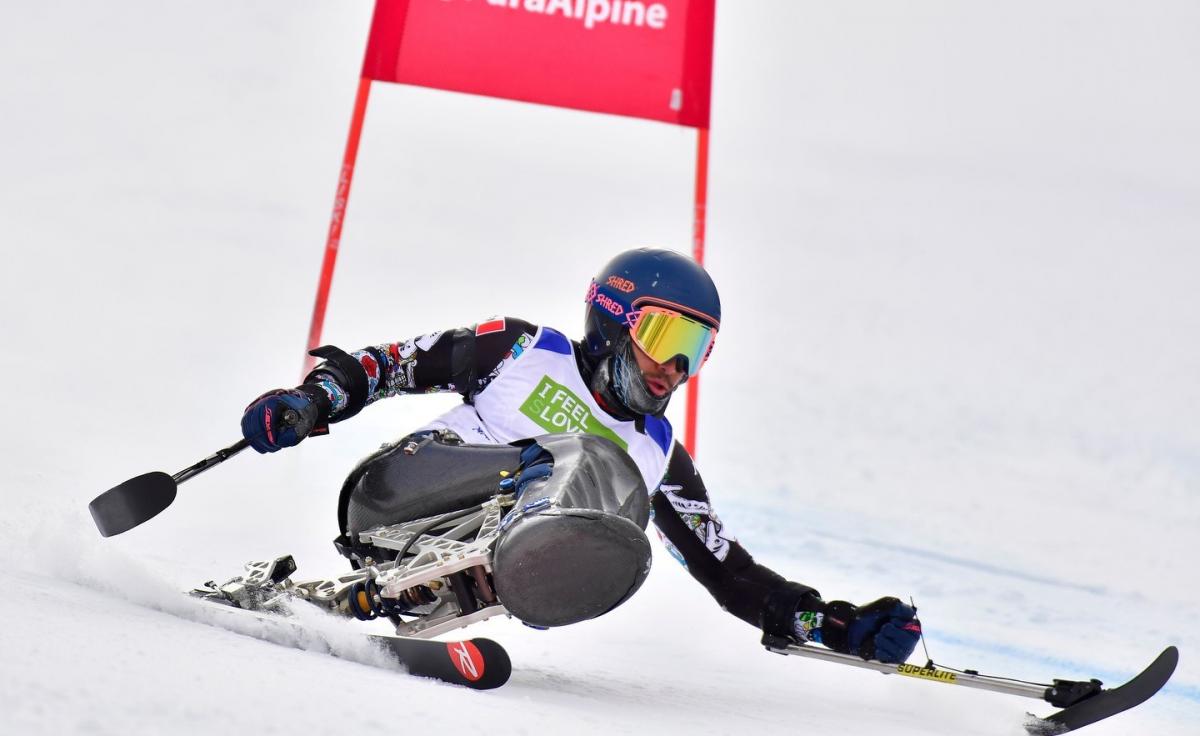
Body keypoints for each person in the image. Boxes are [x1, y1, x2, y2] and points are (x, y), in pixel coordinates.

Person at [240, 247, 922, 664]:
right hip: (399, 493)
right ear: (614, 317)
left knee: (617, 497)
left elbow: (727, 571)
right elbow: (393, 366)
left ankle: (388, 598)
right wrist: (315, 399)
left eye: (697, 350)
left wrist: (829, 622)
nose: (674, 368)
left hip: (483, 561)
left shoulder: (659, 455)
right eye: (665, 336)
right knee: (589, 459)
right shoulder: (521, 349)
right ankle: (460, 560)